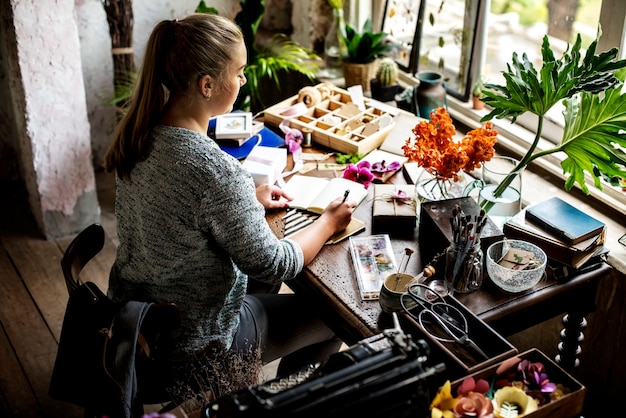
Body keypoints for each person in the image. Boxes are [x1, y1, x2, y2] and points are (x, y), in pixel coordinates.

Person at [102, 13, 355, 400]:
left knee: (268, 283)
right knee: (332, 315)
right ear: (207, 85)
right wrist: (327, 221)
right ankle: (287, 402)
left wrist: (245, 202)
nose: (242, 81)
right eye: (238, 73)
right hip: (191, 348)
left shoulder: (140, 134)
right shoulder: (213, 169)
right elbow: (275, 263)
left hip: (138, 320)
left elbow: (176, 214)